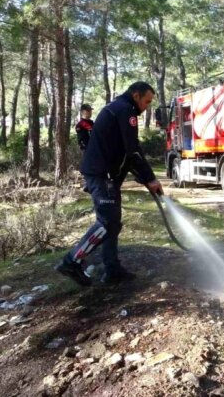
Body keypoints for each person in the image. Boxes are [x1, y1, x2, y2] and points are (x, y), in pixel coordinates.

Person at [56, 82, 163, 286]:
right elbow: (133, 150)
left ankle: (112, 269)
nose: (147, 106)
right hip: (102, 175)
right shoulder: (125, 111)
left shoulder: (117, 108)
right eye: (147, 101)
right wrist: (150, 178)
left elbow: (123, 149)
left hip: (105, 174)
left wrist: (142, 175)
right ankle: (72, 261)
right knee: (107, 222)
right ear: (136, 95)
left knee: (112, 224)